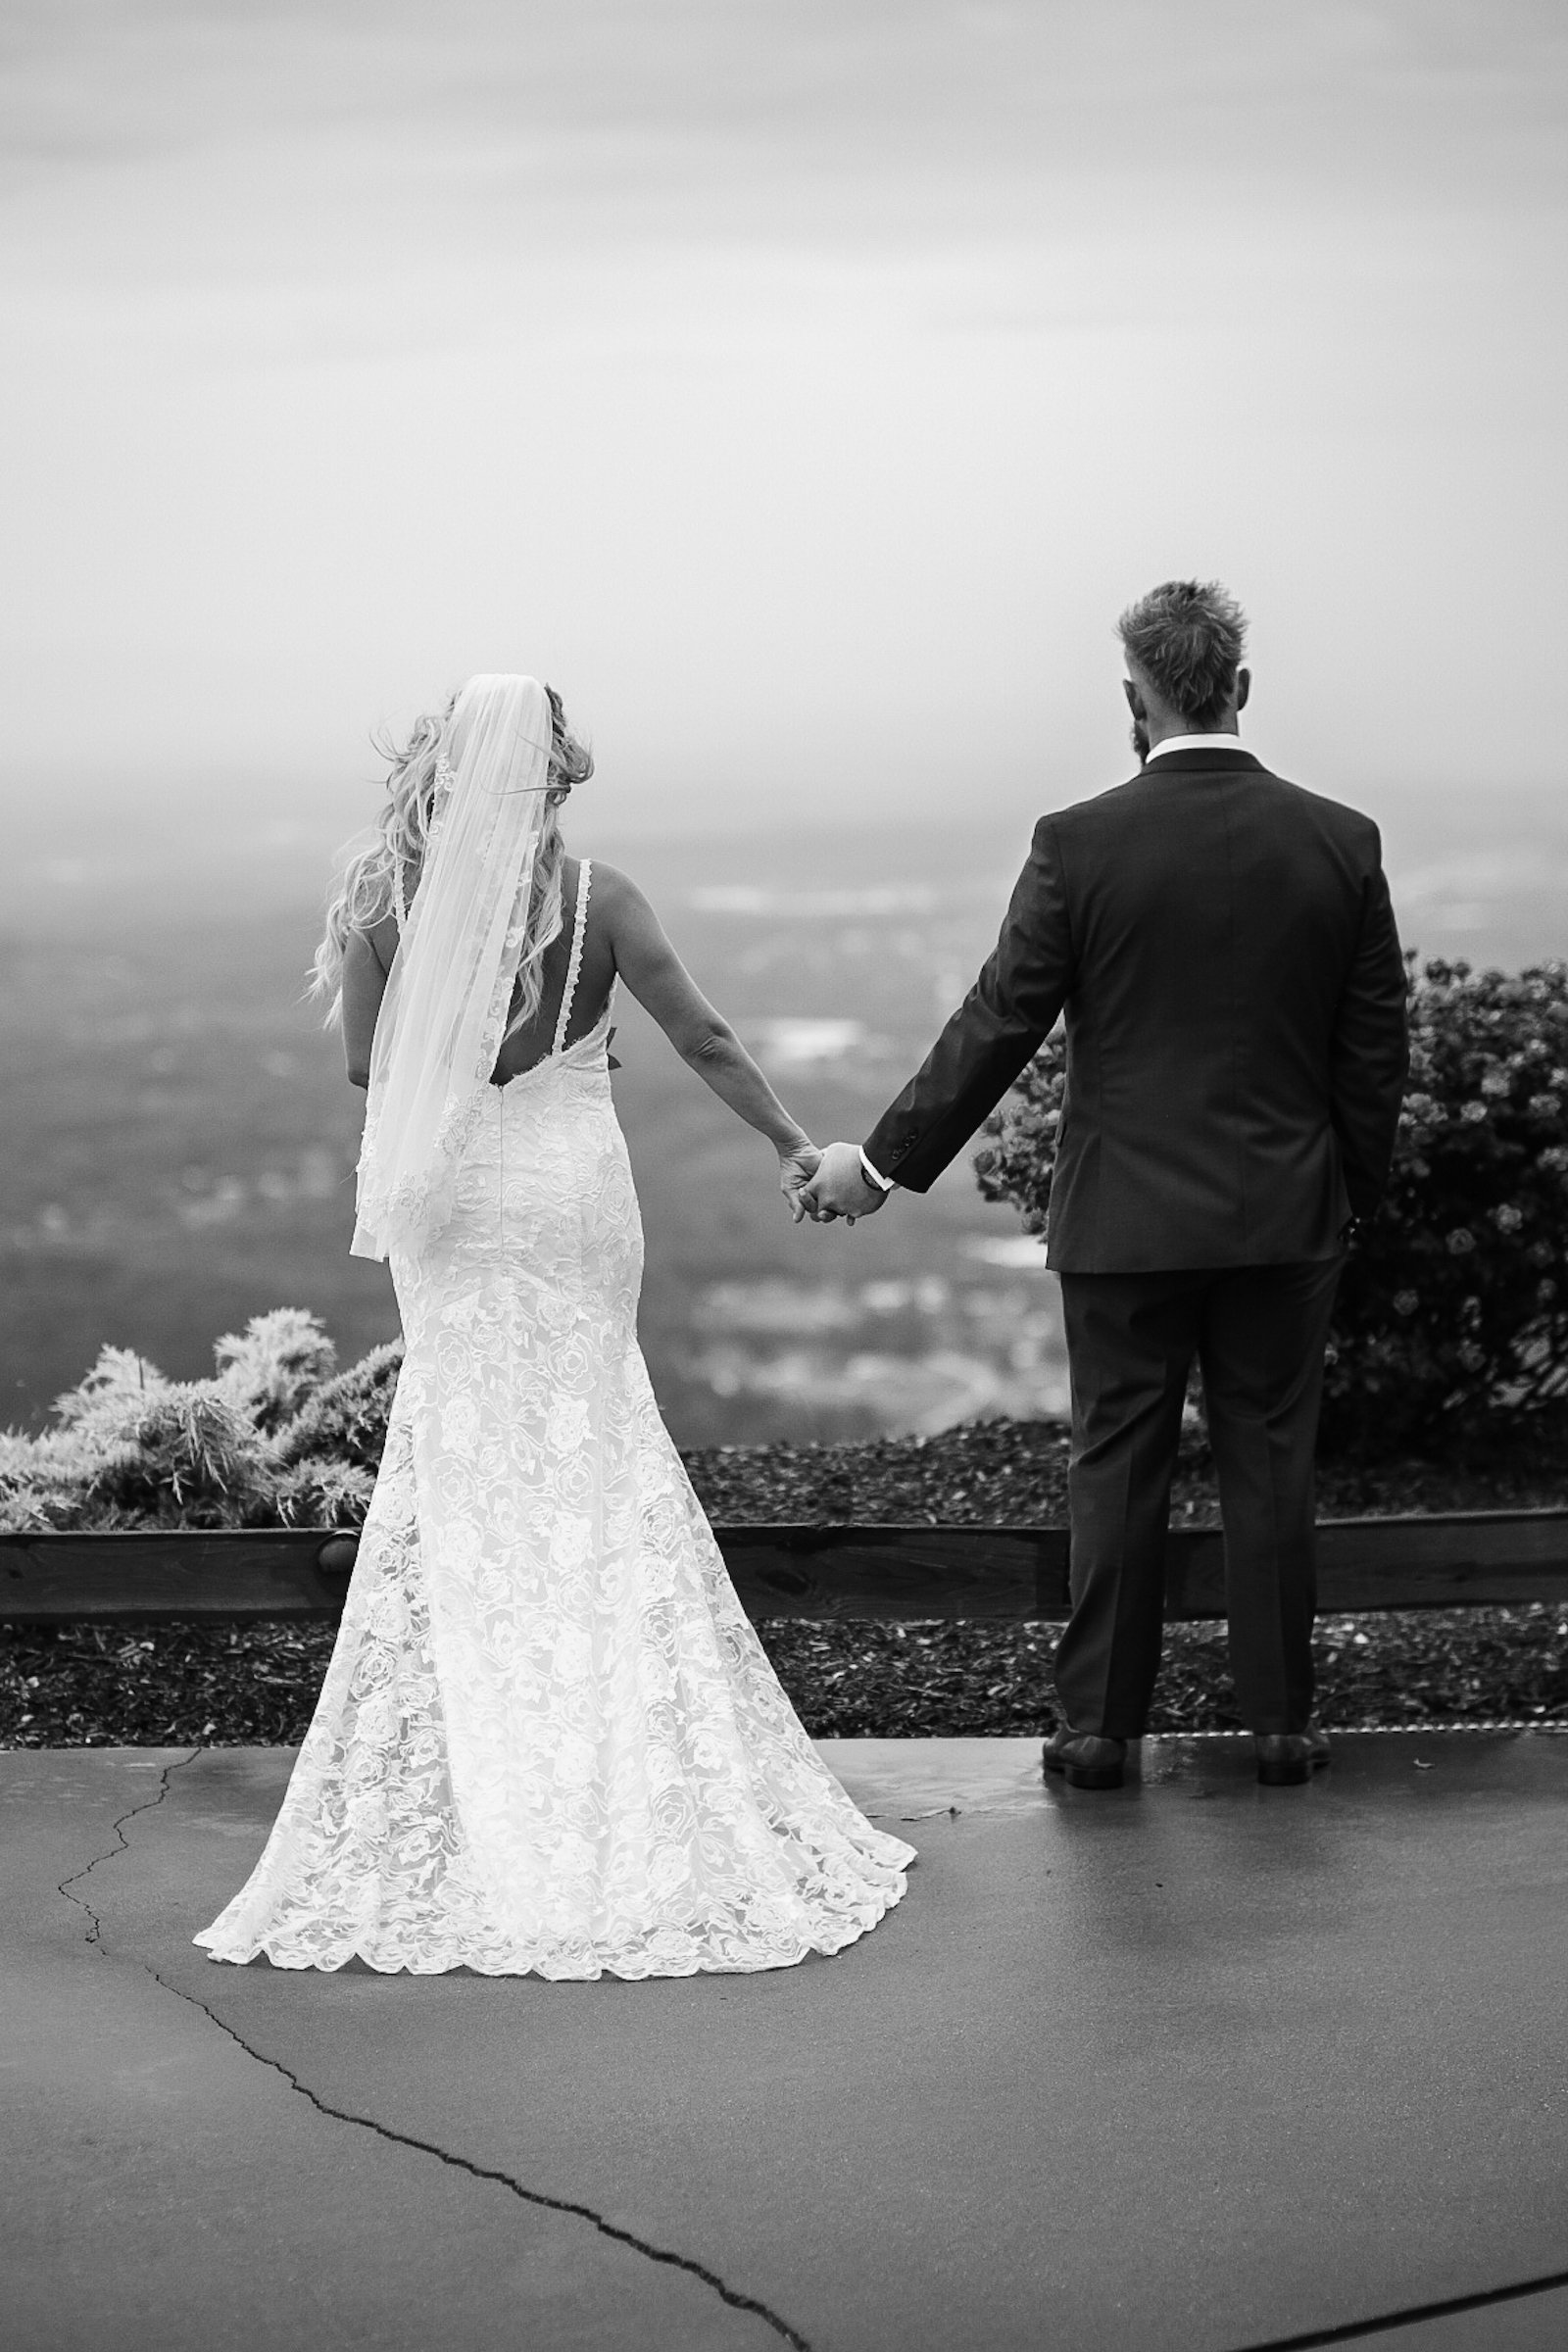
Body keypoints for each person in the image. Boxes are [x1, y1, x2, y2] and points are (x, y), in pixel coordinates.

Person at [197, 674, 912, 1975]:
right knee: (596, 1444)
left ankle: (494, 1755)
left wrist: (455, 1030)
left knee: (467, 1460)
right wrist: (795, 1146)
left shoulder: (380, 895)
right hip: (575, 1193)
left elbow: (368, 1065)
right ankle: (613, 1745)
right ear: (555, 775)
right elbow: (701, 1032)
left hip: (461, 1198)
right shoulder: (602, 900)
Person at [802, 583, 1409, 1789]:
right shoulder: (1340, 839)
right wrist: (1350, 1196)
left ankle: (1097, 1735)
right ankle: (1280, 1730)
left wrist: (877, 1166)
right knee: (1270, 1461)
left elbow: (998, 1021)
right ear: (1238, 689)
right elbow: (1372, 1051)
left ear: (1134, 701)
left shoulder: (1077, 844)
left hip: (1124, 1221)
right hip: (1287, 1217)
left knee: (1117, 1460)